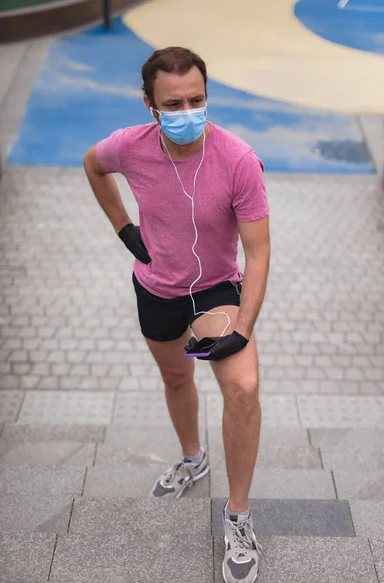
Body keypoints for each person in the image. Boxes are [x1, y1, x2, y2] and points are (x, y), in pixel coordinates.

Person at [83, 46, 270, 583]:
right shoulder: (130, 146)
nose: (188, 110)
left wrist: (244, 325)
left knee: (244, 387)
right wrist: (123, 228)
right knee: (175, 376)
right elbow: (93, 165)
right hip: (157, 288)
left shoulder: (238, 160)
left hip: (214, 293)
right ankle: (194, 458)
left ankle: (237, 516)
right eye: (174, 103)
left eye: (197, 99)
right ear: (150, 106)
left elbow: (258, 253)